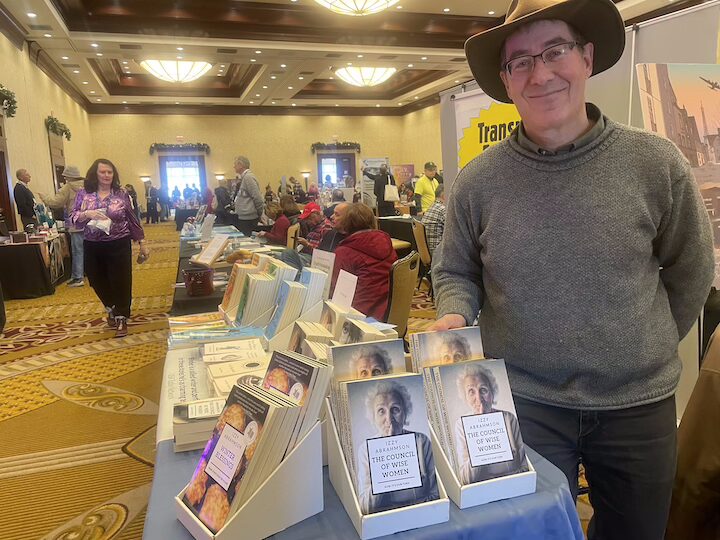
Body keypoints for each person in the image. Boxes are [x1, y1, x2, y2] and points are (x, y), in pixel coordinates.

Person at [431, 1, 715, 538]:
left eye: (555, 51)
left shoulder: (656, 163)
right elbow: (456, 272)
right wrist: (453, 311)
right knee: (530, 532)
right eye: (520, 62)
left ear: (586, 58)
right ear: (506, 81)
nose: (540, 73)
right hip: (521, 402)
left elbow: (691, 272)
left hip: (639, 407)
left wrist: (642, 344)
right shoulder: (478, 181)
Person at [71, 159, 149, 338]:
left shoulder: (121, 194)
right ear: (95, 174)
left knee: (120, 280)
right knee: (96, 279)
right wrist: (86, 213)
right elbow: (72, 217)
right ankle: (111, 307)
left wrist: (142, 242)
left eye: (110, 172)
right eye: (103, 172)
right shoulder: (84, 194)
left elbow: (132, 219)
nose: (106, 175)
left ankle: (121, 316)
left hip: (119, 242)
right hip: (92, 243)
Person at [357, 380, 439, 514]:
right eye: (381, 411)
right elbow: (365, 507)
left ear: (405, 413)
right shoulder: (365, 450)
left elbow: (435, 494)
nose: (389, 418)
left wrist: (403, 512)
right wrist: (387, 458)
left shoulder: (421, 442)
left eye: (395, 409)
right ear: (373, 418)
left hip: (422, 516)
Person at [453, 363, 529, 484]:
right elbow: (466, 479)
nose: (479, 398)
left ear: (492, 393)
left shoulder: (508, 419)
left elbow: (525, 468)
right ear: (465, 397)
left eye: (483, 390)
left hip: (514, 487)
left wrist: (494, 481)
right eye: (471, 392)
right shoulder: (461, 425)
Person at [331, 203, 397, 320]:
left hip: (358, 319)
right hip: (389, 314)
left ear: (346, 222)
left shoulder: (345, 252)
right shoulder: (387, 245)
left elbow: (336, 293)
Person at [39, 165, 86, 287]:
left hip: (76, 223)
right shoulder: (88, 185)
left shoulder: (68, 187)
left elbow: (55, 203)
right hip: (90, 222)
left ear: (67, 176)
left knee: (77, 251)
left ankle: (78, 277)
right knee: (91, 249)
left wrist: (44, 197)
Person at [232, 155, 264, 236]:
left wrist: (259, 213)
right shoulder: (244, 178)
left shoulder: (248, 177)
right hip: (244, 217)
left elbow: (257, 197)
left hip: (249, 219)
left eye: (235, 164)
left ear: (241, 165)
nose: (234, 166)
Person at [421, 184, 446, 256]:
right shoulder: (443, 210)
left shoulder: (431, 208)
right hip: (439, 254)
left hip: (429, 251)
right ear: (444, 195)